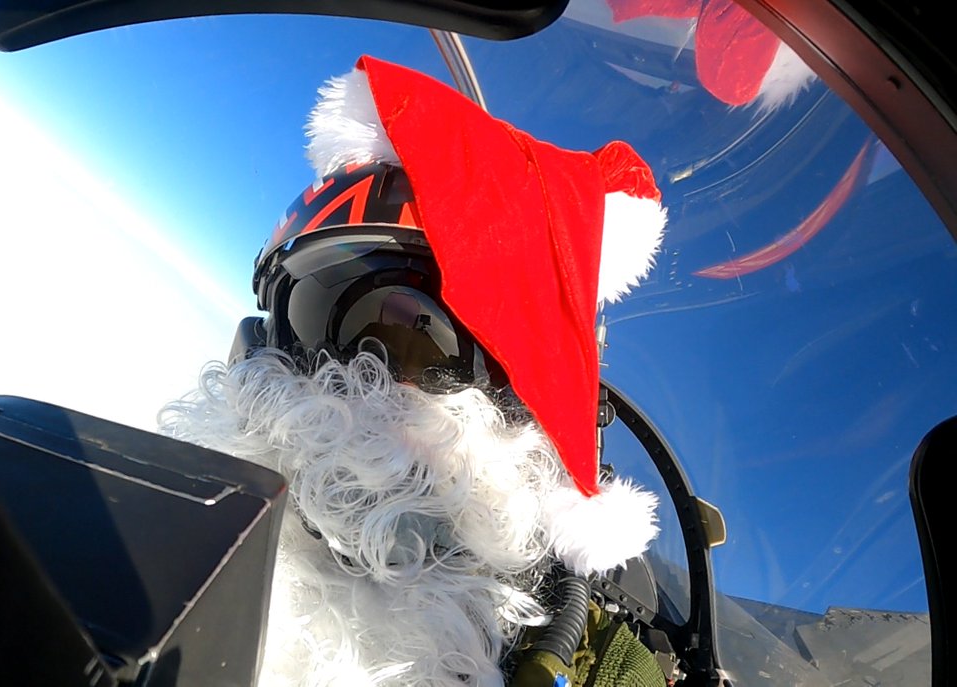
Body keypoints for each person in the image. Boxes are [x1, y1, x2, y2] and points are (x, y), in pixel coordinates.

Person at [159, 55, 667, 687]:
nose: (354, 381)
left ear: (524, 415)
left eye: (414, 341)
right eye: (316, 321)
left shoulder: (606, 670)